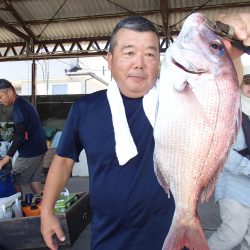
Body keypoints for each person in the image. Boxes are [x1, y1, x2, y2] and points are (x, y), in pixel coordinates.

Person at [40, 13, 250, 250]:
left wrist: (229, 46)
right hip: (108, 240)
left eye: (150, 54)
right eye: (129, 53)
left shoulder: (173, 96)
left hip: (166, 238)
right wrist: (46, 211)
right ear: (110, 59)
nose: (139, 63)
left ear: (160, 60)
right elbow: (64, 161)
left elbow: (221, 89)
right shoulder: (85, 109)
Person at [208, 74, 250, 250]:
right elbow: (221, 152)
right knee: (232, 234)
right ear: (239, 83)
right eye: (248, 81)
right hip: (232, 184)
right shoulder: (229, 111)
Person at [0, 79, 47, 196]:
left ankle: (19, 209)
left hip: (29, 153)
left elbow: (19, 136)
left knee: (13, 180)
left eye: (1, 97)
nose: (0, 101)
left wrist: (7, 157)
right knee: (34, 180)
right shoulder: (24, 103)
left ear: (10, 92)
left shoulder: (18, 107)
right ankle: (42, 205)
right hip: (39, 149)